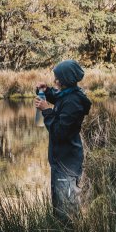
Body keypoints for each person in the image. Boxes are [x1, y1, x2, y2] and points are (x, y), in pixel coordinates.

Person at [34, 59, 92, 219]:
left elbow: (59, 132)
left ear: (65, 80)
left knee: (66, 212)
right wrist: (45, 91)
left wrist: (46, 111)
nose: (55, 81)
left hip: (67, 164)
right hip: (62, 161)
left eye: (57, 78)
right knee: (60, 206)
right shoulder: (68, 94)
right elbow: (57, 97)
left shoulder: (73, 102)